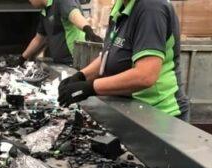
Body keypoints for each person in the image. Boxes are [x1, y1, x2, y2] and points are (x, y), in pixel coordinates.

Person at [58, 0, 189, 120]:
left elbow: (145, 75)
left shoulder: (151, 8)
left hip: (159, 115)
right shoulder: (120, 6)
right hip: (132, 110)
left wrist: (91, 87)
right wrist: (81, 76)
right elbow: (109, 54)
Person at [19, 0, 100, 66]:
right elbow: (38, 39)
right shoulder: (44, 12)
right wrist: (22, 58)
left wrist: (88, 30)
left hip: (73, 61)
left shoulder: (61, 1)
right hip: (60, 62)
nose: (29, 2)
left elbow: (74, 15)